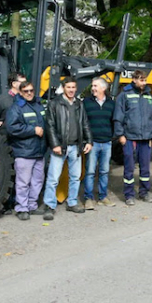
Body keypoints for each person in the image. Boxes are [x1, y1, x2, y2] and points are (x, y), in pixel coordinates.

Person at [38, 77, 92, 219]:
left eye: (74, 87)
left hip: (76, 146)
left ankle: (72, 203)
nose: (71, 90)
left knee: (75, 177)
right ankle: (49, 205)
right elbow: (49, 125)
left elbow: (85, 123)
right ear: (63, 88)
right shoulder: (54, 103)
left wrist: (89, 141)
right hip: (60, 147)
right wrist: (55, 144)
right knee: (53, 178)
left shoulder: (79, 104)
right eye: (69, 87)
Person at [4, 81, 47, 221]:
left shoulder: (39, 105)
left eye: (31, 90)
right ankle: (22, 208)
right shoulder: (16, 108)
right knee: (23, 182)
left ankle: (31, 205)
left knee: (37, 181)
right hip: (24, 151)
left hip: (39, 151)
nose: (29, 93)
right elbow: (12, 128)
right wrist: (32, 130)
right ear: (20, 93)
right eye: (26, 91)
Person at [114, 70, 152, 206]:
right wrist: (120, 135)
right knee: (129, 167)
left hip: (145, 138)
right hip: (130, 138)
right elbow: (118, 117)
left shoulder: (149, 95)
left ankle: (144, 192)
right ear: (134, 80)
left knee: (145, 169)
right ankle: (129, 194)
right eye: (141, 80)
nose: (144, 82)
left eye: (145, 80)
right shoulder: (124, 95)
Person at [0, 72, 26, 214]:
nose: (25, 84)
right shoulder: (3, 99)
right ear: (14, 84)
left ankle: (18, 202)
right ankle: (6, 204)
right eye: (22, 82)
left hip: (21, 141)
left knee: (20, 173)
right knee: (7, 173)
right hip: (5, 142)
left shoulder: (25, 99)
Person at [82, 77, 116, 209]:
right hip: (92, 143)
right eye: (92, 86)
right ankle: (88, 198)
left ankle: (103, 197)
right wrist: (86, 140)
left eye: (96, 86)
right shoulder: (86, 102)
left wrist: (112, 136)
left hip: (107, 142)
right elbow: (83, 122)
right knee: (90, 171)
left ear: (104, 88)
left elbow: (114, 121)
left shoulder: (111, 104)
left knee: (104, 171)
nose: (93, 88)